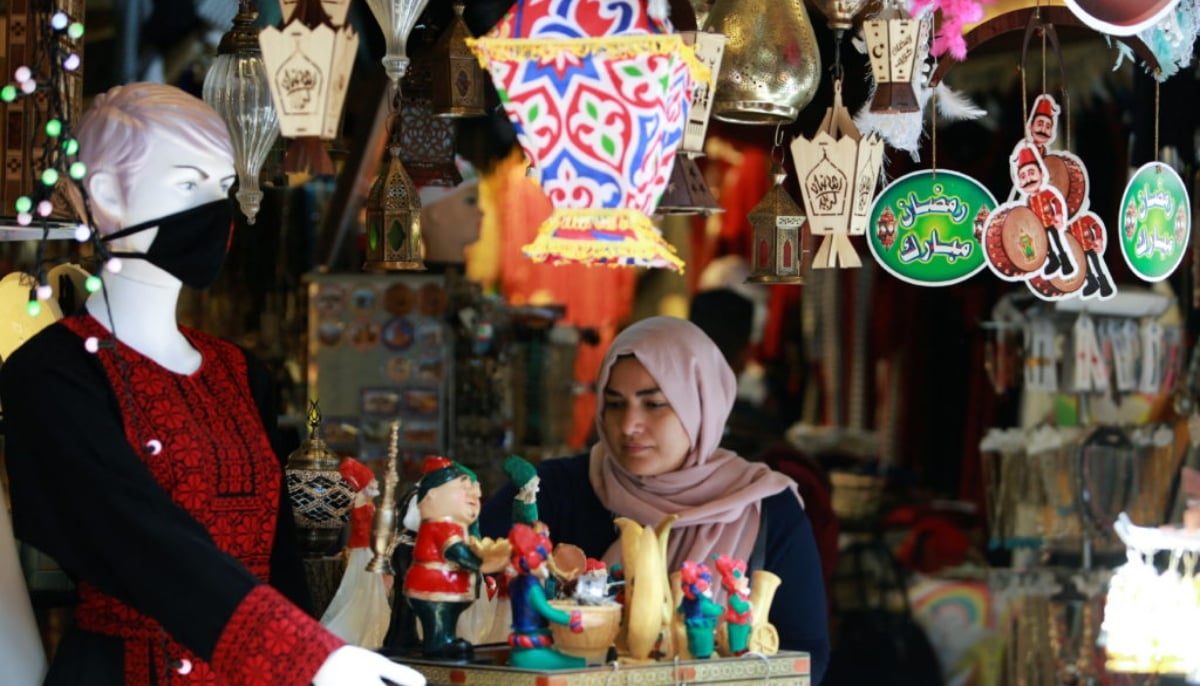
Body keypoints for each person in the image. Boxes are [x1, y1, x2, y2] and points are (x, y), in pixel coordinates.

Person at [0, 82, 423, 686]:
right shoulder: (53, 373)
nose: (214, 210)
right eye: (186, 184)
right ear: (108, 193)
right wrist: (308, 656)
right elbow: (134, 539)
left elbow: (279, 558)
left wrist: (307, 657)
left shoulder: (239, 372)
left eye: (222, 188)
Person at [480, 316, 831, 682]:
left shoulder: (763, 508)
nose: (629, 425)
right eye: (615, 404)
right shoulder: (550, 493)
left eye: (655, 404)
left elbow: (806, 656)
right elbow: (473, 607)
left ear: (701, 404)